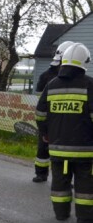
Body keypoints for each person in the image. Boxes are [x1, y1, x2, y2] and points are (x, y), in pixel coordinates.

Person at [35, 42, 93, 223]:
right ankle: (85, 217)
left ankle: (61, 214)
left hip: (57, 148)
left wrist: (45, 133)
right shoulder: (90, 85)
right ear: (84, 62)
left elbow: (40, 113)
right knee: (85, 185)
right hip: (85, 150)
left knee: (59, 183)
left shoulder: (51, 85)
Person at [32, 41, 74, 183]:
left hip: (62, 117)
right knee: (44, 147)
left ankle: (64, 177)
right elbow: (39, 100)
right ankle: (41, 173)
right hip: (52, 118)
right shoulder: (48, 76)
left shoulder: (50, 75)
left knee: (65, 150)